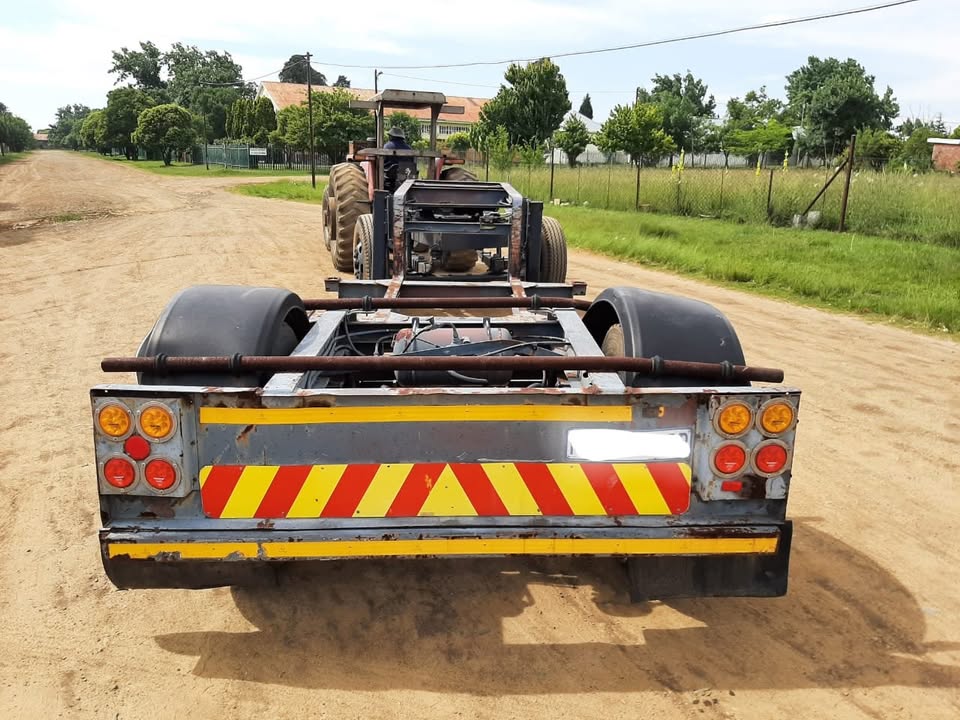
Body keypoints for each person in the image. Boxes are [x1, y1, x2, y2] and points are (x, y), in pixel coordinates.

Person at [383, 126, 416, 191]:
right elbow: (412, 162)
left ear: (391, 136)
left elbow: (384, 160)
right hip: (406, 176)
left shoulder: (387, 146)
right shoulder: (409, 148)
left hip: (390, 176)